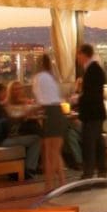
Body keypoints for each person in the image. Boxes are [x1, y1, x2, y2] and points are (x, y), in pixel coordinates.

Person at [0, 82, 41, 178]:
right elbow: (4, 126)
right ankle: (30, 169)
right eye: (2, 91)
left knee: (31, 132)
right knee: (36, 139)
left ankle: (25, 168)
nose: (5, 93)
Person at [32, 54, 67, 191]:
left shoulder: (38, 78)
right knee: (55, 151)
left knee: (49, 153)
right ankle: (62, 183)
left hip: (49, 113)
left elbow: (41, 101)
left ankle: (49, 186)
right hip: (57, 112)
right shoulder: (51, 78)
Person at [75, 43, 107, 179]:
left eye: (78, 54)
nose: (77, 58)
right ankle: (102, 176)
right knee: (98, 146)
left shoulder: (92, 70)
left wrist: (77, 99)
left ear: (83, 54)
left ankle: (88, 176)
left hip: (92, 114)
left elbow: (92, 94)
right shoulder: (94, 69)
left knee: (89, 145)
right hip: (96, 113)